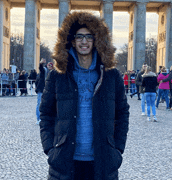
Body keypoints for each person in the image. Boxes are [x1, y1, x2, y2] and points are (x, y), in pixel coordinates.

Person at [39, 11, 130, 180]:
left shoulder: (112, 75)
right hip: (65, 160)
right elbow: (45, 113)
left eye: (89, 37)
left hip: (103, 161)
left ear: (97, 40)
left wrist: (117, 150)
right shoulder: (57, 75)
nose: (84, 41)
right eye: (79, 37)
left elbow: (123, 113)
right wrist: (50, 150)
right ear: (72, 41)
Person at [35, 59, 54, 125]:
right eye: (49, 65)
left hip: (48, 90)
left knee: (48, 104)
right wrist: (41, 63)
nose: (49, 67)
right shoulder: (44, 71)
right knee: (39, 103)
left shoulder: (52, 73)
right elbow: (40, 68)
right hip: (41, 89)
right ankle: (39, 118)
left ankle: (46, 118)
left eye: (51, 66)